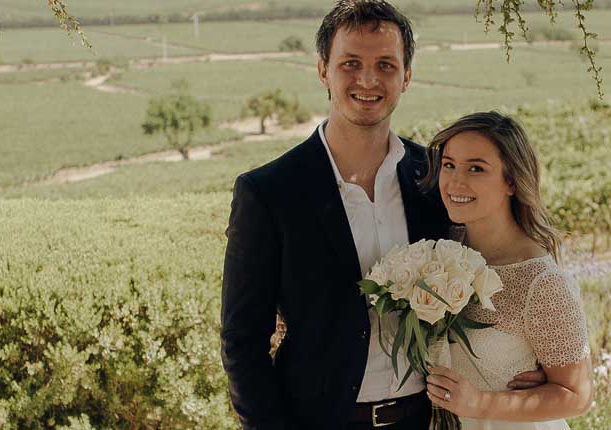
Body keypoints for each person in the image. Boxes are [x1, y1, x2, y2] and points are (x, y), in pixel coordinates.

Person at [220, 3, 545, 429]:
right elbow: (242, 341)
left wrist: (526, 356)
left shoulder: (435, 178)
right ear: (323, 70)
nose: (368, 80)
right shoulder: (268, 192)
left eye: (385, 65)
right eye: (350, 63)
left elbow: (496, 259)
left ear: (406, 76)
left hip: (427, 420)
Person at [422, 112, 594, 429]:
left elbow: (577, 394)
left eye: (476, 168)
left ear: (512, 181)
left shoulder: (542, 282)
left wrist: (480, 403)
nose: (455, 182)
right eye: (449, 165)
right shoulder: (441, 248)